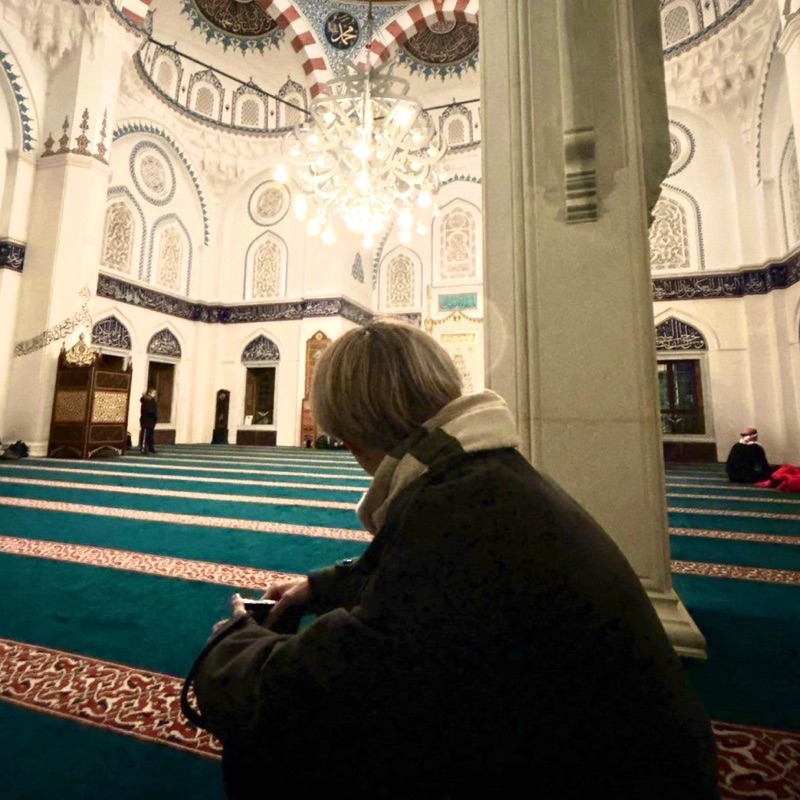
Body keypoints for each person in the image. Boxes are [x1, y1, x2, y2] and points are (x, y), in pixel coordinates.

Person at [185, 319, 720, 799]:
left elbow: (320, 686)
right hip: (608, 755)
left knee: (275, 745)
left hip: (600, 775)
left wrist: (230, 644)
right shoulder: (482, 476)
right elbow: (410, 576)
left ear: (351, 426)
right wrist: (320, 589)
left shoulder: (460, 508)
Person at [139, 388, 158, 454]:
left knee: (150, 435)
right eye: (153, 393)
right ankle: (143, 448)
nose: (154, 395)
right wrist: (154, 414)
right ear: (149, 393)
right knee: (145, 434)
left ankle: (150, 448)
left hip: (151, 420)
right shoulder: (146, 401)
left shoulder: (152, 401)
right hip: (146, 420)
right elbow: (149, 411)